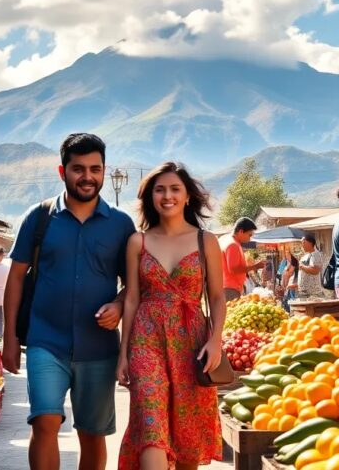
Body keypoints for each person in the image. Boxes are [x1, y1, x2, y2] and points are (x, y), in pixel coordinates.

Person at [1, 133, 136, 470]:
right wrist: (9, 340)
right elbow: (16, 277)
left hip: (99, 346)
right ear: (62, 171)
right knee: (44, 422)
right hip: (46, 341)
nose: (87, 176)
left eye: (95, 168)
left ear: (104, 171)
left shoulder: (121, 225)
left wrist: (118, 306)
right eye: (78, 169)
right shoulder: (40, 217)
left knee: (92, 433)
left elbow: (134, 286)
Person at [117, 162, 224, 470]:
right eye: (159, 189)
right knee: (151, 424)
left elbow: (216, 297)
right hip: (146, 340)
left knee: (187, 435)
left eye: (175, 189)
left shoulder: (207, 242)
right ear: (150, 196)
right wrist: (123, 354)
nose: (167, 196)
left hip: (193, 344)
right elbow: (132, 299)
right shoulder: (138, 241)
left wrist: (216, 340)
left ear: (187, 196)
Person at [218, 218, 265, 301]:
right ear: (241, 231)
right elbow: (233, 269)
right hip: (230, 289)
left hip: (223, 286)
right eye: (249, 235)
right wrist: (255, 266)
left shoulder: (224, 239)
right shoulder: (233, 245)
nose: (250, 239)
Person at [295, 234, 331, 300]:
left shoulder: (316, 254)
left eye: (304, 243)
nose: (302, 245)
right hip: (305, 293)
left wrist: (302, 267)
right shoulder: (307, 255)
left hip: (313, 295)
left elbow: (315, 270)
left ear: (310, 243)